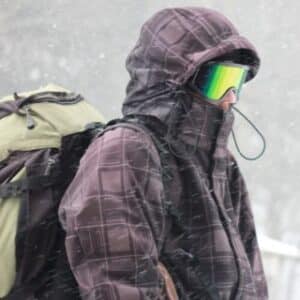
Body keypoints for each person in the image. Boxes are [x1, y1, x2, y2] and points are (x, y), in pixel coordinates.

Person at [59, 7, 268, 300]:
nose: (230, 97)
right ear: (174, 81)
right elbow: (118, 287)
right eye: (219, 82)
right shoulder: (124, 152)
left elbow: (251, 281)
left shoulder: (222, 165)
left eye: (236, 82)